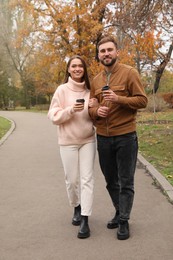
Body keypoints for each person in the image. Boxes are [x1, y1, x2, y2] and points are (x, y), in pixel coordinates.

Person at [89, 35, 148, 240]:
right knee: (110, 180)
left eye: (109, 50)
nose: (106, 54)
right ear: (98, 55)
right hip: (103, 138)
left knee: (126, 180)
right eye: (102, 51)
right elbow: (91, 107)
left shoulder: (129, 73)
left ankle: (123, 220)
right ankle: (119, 210)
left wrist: (118, 99)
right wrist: (97, 112)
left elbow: (142, 101)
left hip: (125, 136)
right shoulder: (95, 79)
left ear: (117, 52)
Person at [48, 55, 96, 239]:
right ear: (68, 69)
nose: (77, 69)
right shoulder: (61, 90)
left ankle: (85, 218)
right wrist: (70, 111)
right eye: (73, 66)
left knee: (87, 180)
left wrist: (96, 106)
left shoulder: (90, 90)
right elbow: (52, 115)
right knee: (72, 180)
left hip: (87, 140)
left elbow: (95, 115)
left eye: (80, 66)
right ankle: (76, 206)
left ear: (84, 69)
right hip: (67, 141)